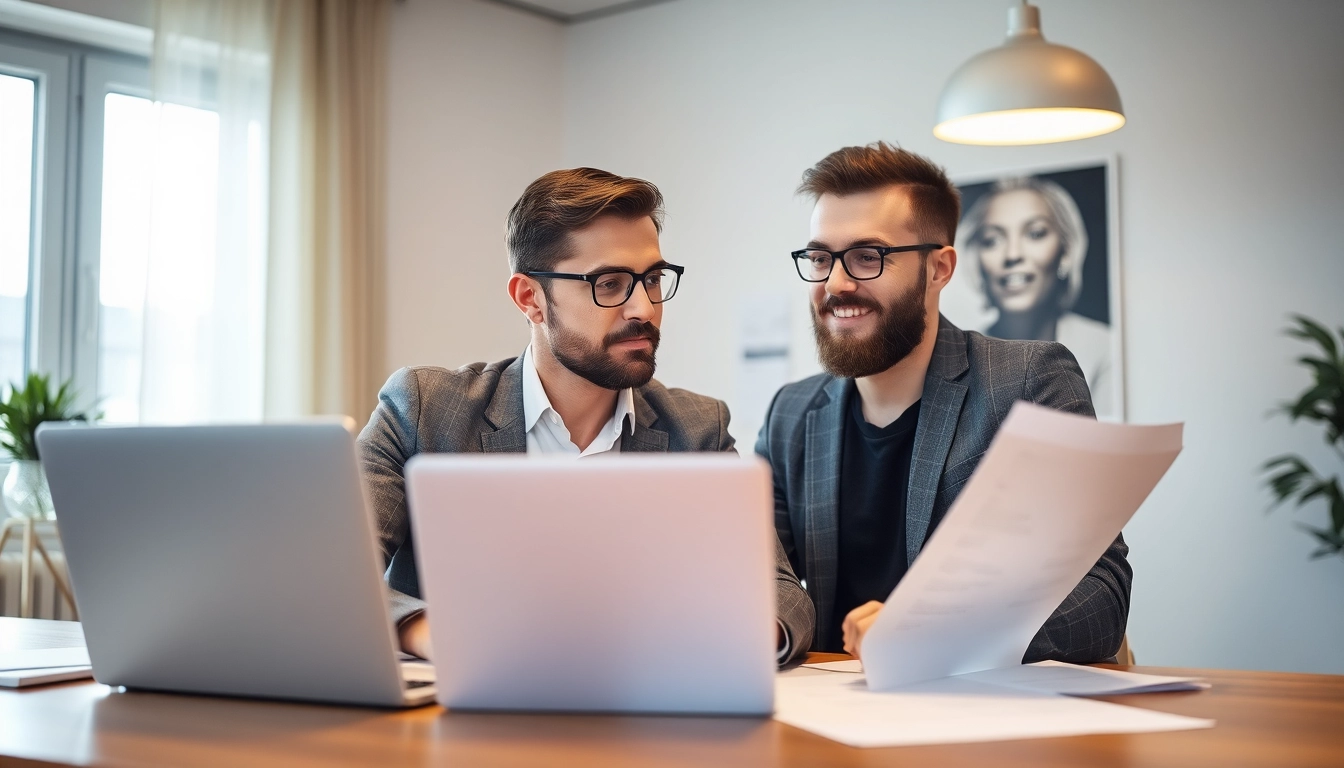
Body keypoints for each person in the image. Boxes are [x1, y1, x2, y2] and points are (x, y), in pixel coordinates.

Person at [359, 167, 814, 664]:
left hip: (640, 718)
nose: (644, 306)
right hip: (465, 716)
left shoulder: (698, 429)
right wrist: (435, 633)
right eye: (610, 283)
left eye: (653, 279)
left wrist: (740, 633)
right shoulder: (424, 410)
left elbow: (781, 592)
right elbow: (330, 570)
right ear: (530, 298)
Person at [756, 142, 1130, 661]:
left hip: (982, 720)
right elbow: (758, 571)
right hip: (833, 717)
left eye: (868, 257)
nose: (836, 283)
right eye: (820, 258)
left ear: (939, 269)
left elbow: (1100, 596)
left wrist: (937, 629)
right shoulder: (791, 414)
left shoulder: (1029, 382)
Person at [956, 176, 1114, 414]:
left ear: (1066, 252)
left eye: (1035, 233)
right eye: (992, 240)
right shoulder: (955, 361)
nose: (1013, 254)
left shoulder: (1104, 350)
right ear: (976, 260)